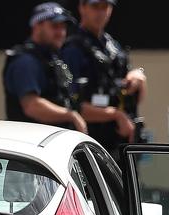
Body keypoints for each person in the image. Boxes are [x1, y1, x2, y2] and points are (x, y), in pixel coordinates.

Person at [61, 0, 147, 154]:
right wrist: (116, 115)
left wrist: (138, 76)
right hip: (89, 145)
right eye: (95, 7)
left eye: (105, 7)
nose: (100, 13)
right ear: (82, 7)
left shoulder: (113, 46)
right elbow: (71, 105)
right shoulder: (73, 49)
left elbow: (129, 96)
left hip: (119, 142)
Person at [3, 2, 87, 133]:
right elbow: (32, 106)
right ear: (36, 26)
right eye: (55, 26)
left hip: (48, 142)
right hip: (29, 145)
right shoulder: (25, 61)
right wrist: (70, 115)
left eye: (63, 27)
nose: (61, 32)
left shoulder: (51, 58)